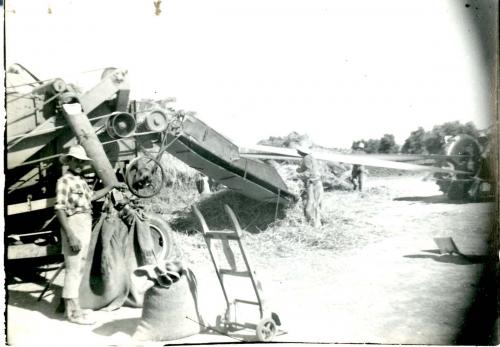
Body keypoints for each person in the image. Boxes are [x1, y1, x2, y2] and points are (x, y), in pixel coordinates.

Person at [54, 144, 120, 324]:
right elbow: (59, 210)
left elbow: (91, 196)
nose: (80, 165)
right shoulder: (64, 181)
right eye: (77, 161)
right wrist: (70, 235)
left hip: (85, 222)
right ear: (69, 161)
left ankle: (71, 307)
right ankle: (73, 313)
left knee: (80, 267)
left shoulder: (81, 181)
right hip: (73, 223)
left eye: (82, 162)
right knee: (73, 268)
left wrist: (111, 186)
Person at [296, 146, 323, 227]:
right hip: (316, 181)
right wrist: (299, 169)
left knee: (310, 204)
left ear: (301, 151)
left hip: (312, 183)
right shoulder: (310, 157)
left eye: (298, 150)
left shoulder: (306, 158)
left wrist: (297, 175)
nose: (297, 152)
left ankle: (313, 224)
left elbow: (308, 172)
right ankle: (317, 223)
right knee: (316, 203)